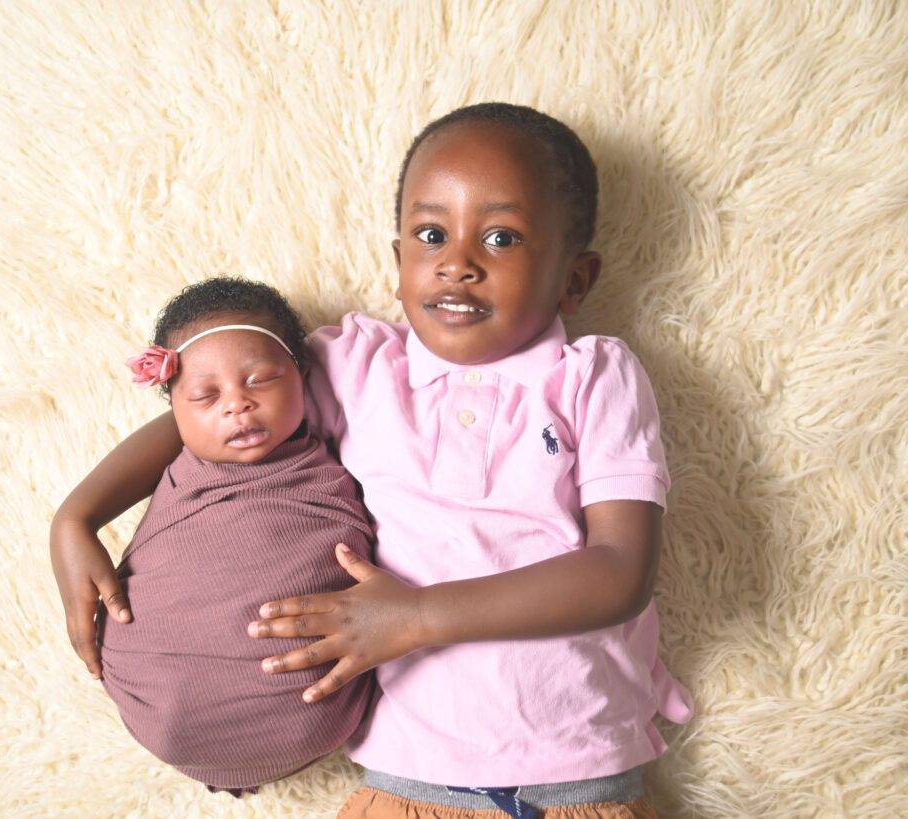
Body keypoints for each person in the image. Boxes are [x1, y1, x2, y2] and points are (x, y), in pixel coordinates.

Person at [51, 102, 694, 818]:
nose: (458, 262)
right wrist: (77, 516)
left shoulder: (592, 375)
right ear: (397, 264)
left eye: (502, 237)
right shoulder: (359, 367)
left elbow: (619, 572)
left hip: (580, 773)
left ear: (575, 279)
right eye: (430, 234)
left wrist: (416, 615)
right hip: (407, 778)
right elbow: (217, 417)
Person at [53, 277, 377, 798]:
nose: (237, 405)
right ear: (175, 408)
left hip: (308, 707)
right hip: (155, 693)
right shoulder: (183, 465)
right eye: (206, 395)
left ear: (302, 374)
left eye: (263, 380)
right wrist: (71, 521)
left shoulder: (337, 445)